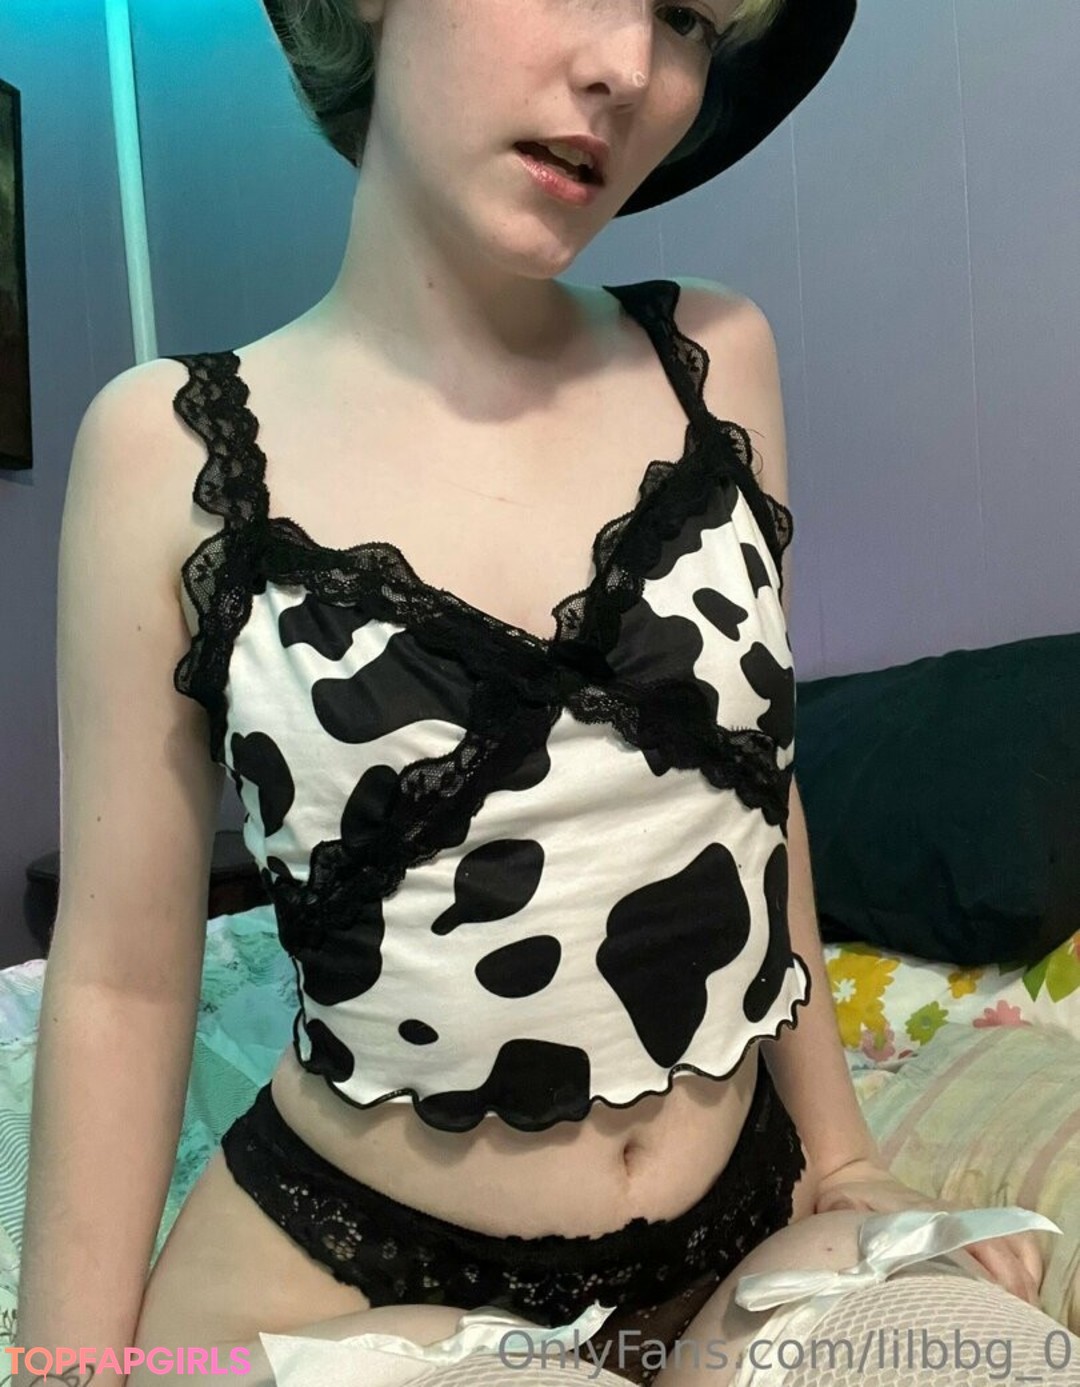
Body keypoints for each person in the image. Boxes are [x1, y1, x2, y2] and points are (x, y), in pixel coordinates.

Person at [17, 2, 1068, 1385]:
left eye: (688, 19)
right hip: (351, 1283)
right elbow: (120, 982)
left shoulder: (719, 361)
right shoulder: (168, 455)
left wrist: (846, 1155)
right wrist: (66, 1366)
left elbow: (760, 796)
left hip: (744, 1236)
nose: (631, 69)